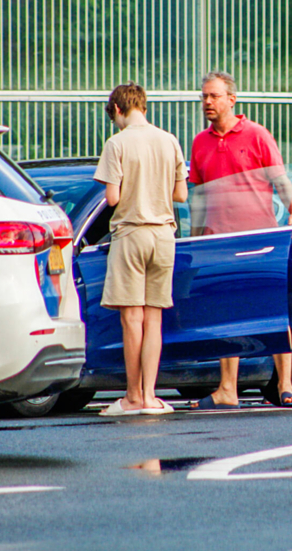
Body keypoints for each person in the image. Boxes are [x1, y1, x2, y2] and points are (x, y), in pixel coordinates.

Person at [189, 71, 292, 410]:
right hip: (219, 242)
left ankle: (285, 385)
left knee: (272, 309)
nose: (207, 102)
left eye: (213, 96)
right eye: (204, 97)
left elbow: (280, 180)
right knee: (227, 314)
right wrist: (196, 240)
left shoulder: (256, 134)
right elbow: (198, 196)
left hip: (260, 238)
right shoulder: (199, 142)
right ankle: (227, 390)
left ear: (231, 100)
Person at [94, 82, 188, 416]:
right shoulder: (169, 140)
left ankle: (132, 397)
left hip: (132, 234)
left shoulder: (117, 143)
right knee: (155, 319)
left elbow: (112, 199)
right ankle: (151, 397)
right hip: (164, 236)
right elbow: (181, 196)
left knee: (132, 320)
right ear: (143, 107)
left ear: (117, 109)